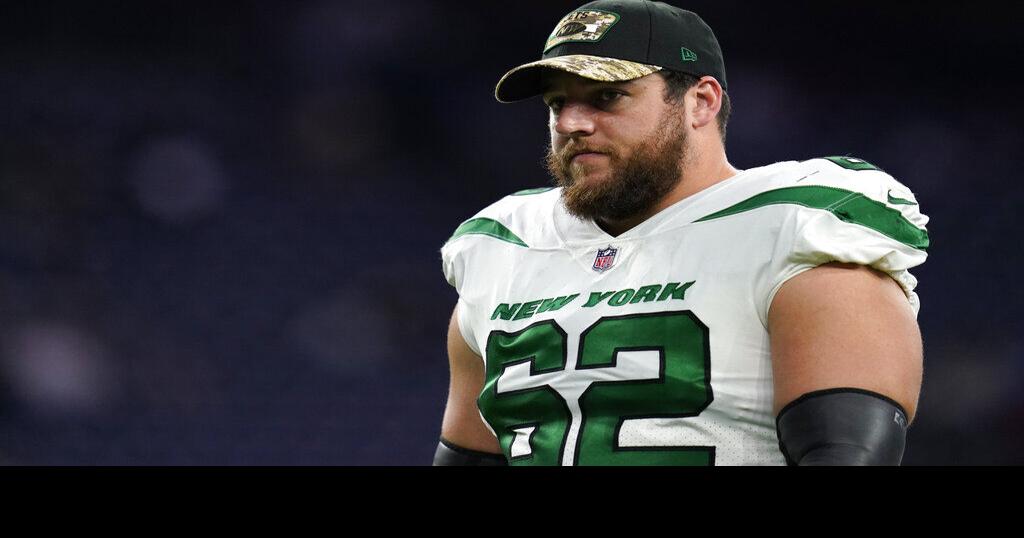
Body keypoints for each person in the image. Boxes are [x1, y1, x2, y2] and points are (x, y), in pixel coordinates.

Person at [433, 0, 929, 466]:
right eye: (557, 102)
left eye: (607, 96)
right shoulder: (503, 245)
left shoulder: (796, 223)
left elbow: (843, 453)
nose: (572, 122)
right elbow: (469, 456)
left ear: (701, 101)